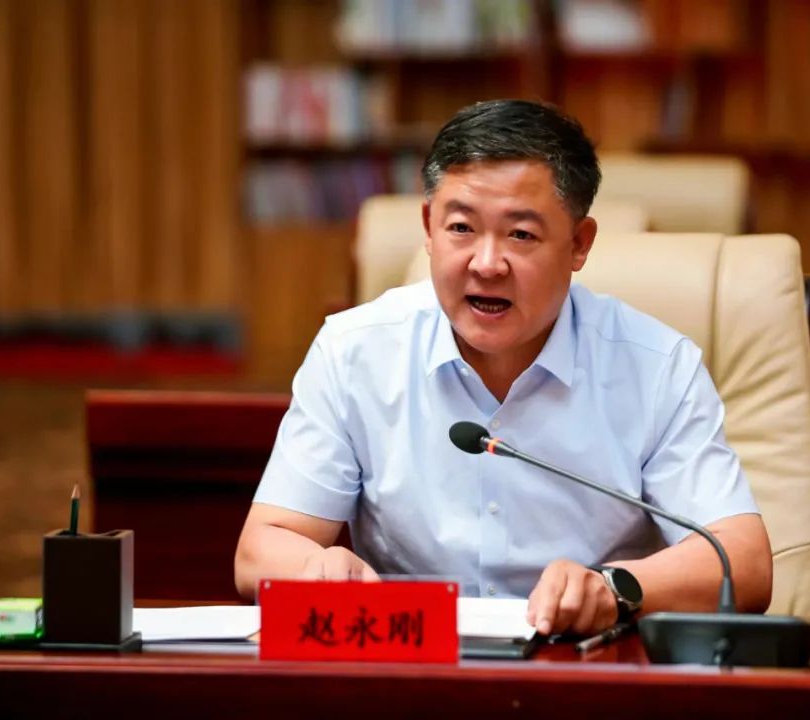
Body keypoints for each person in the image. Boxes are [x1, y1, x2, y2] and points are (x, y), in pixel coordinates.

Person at [235, 99, 772, 636]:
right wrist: (318, 569)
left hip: (584, 663)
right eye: (461, 228)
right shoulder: (354, 351)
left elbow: (742, 564)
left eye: (521, 235)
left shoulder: (656, 368)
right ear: (428, 227)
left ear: (579, 244)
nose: (487, 264)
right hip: (412, 662)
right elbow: (261, 547)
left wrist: (612, 589)